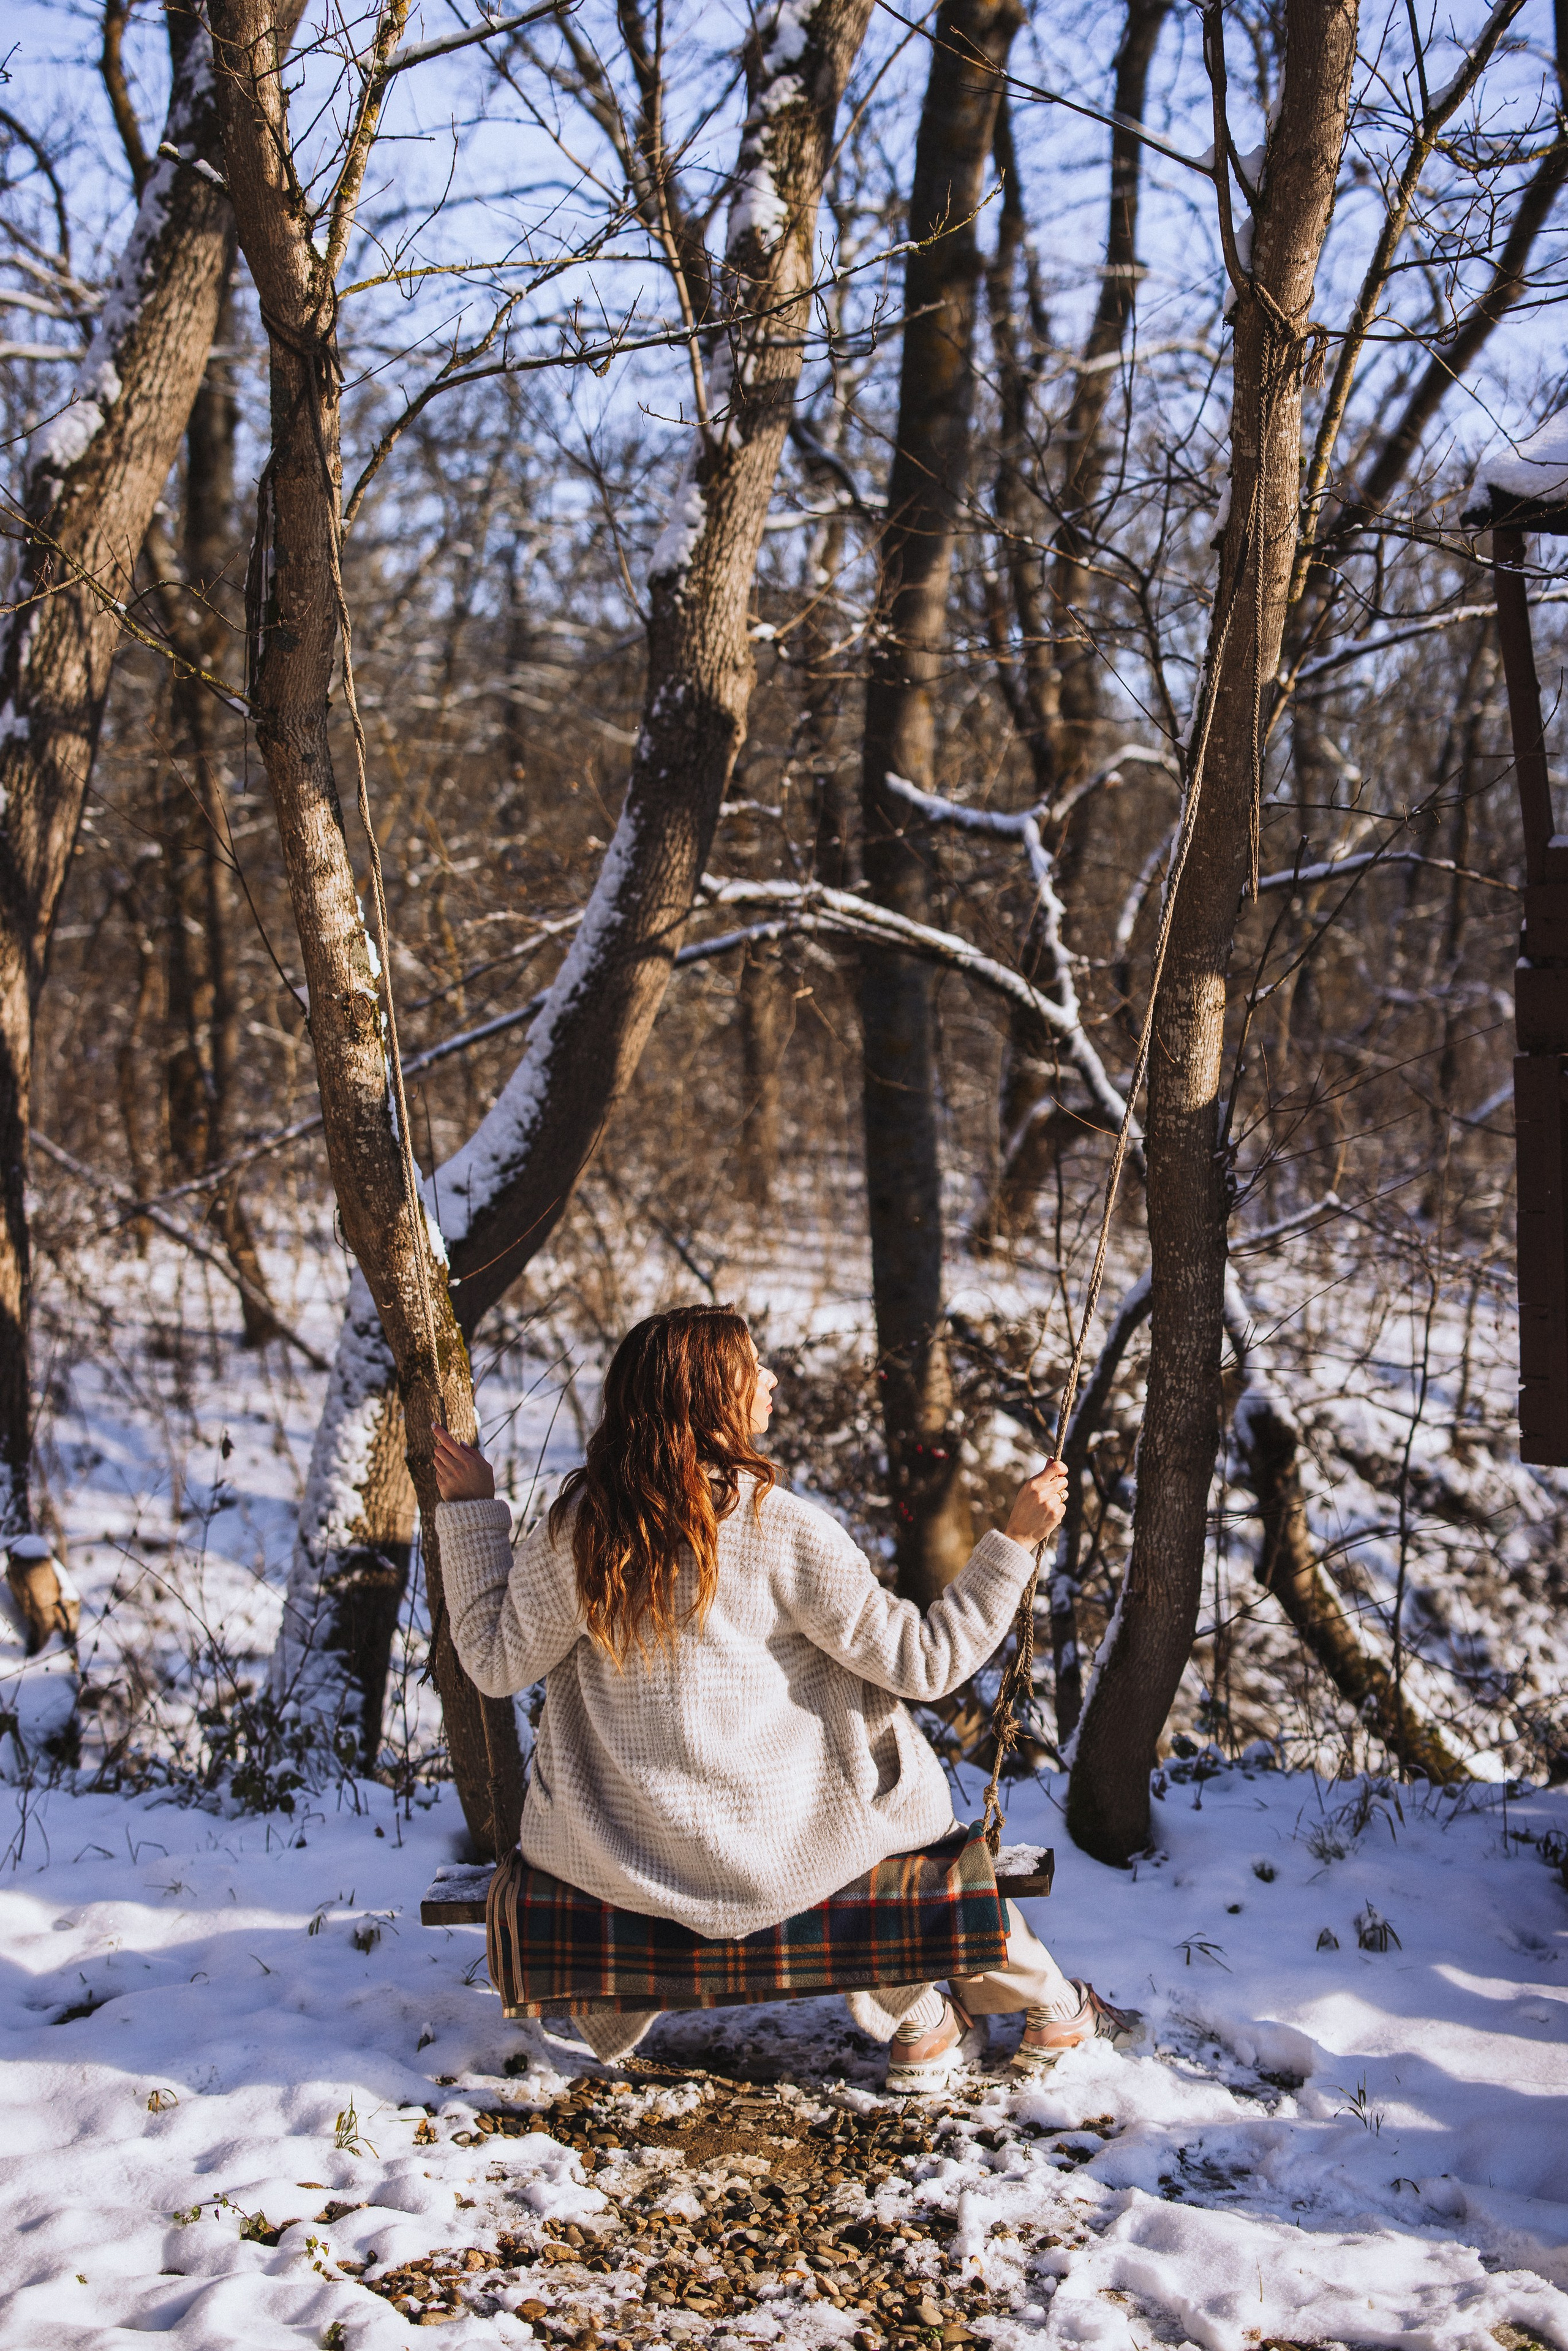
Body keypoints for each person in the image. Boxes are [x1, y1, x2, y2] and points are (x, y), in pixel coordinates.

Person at [432, 1303, 1138, 2089]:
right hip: (784, 1853)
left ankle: (927, 2019)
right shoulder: (777, 1525)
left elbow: (492, 1666)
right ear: (709, 1398)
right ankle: (1000, 2011)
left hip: (626, 1857)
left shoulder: (579, 1529)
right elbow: (926, 1661)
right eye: (751, 1369)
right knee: (873, 1802)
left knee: (835, 1803)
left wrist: (468, 1513)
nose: (771, 1380)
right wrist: (1013, 1540)